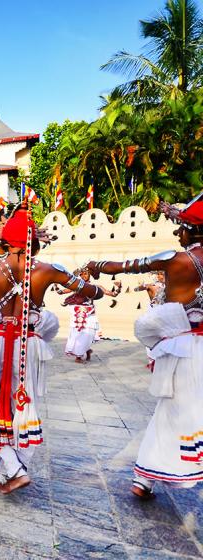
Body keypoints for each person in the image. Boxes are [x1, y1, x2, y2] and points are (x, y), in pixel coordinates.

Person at [0, 204, 103, 494]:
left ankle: (14, 469)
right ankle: (6, 471)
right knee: (22, 402)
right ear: (35, 240)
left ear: (7, 241)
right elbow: (91, 291)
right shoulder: (50, 270)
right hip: (29, 344)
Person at [86, 196, 203, 498]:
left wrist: (95, 264)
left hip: (184, 349)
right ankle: (147, 477)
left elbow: (124, 266)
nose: (178, 234)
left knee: (171, 410)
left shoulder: (176, 260)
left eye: (181, 228)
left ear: (191, 230)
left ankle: (145, 478)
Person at [57, 267, 120, 363]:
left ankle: (86, 350)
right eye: (81, 274)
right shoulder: (75, 286)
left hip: (90, 313)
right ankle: (79, 356)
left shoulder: (96, 287)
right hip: (78, 314)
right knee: (77, 333)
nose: (84, 275)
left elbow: (113, 294)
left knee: (88, 334)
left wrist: (119, 288)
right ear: (79, 275)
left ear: (89, 275)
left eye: (86, 273)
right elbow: (60, 292)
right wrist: (56, 285)